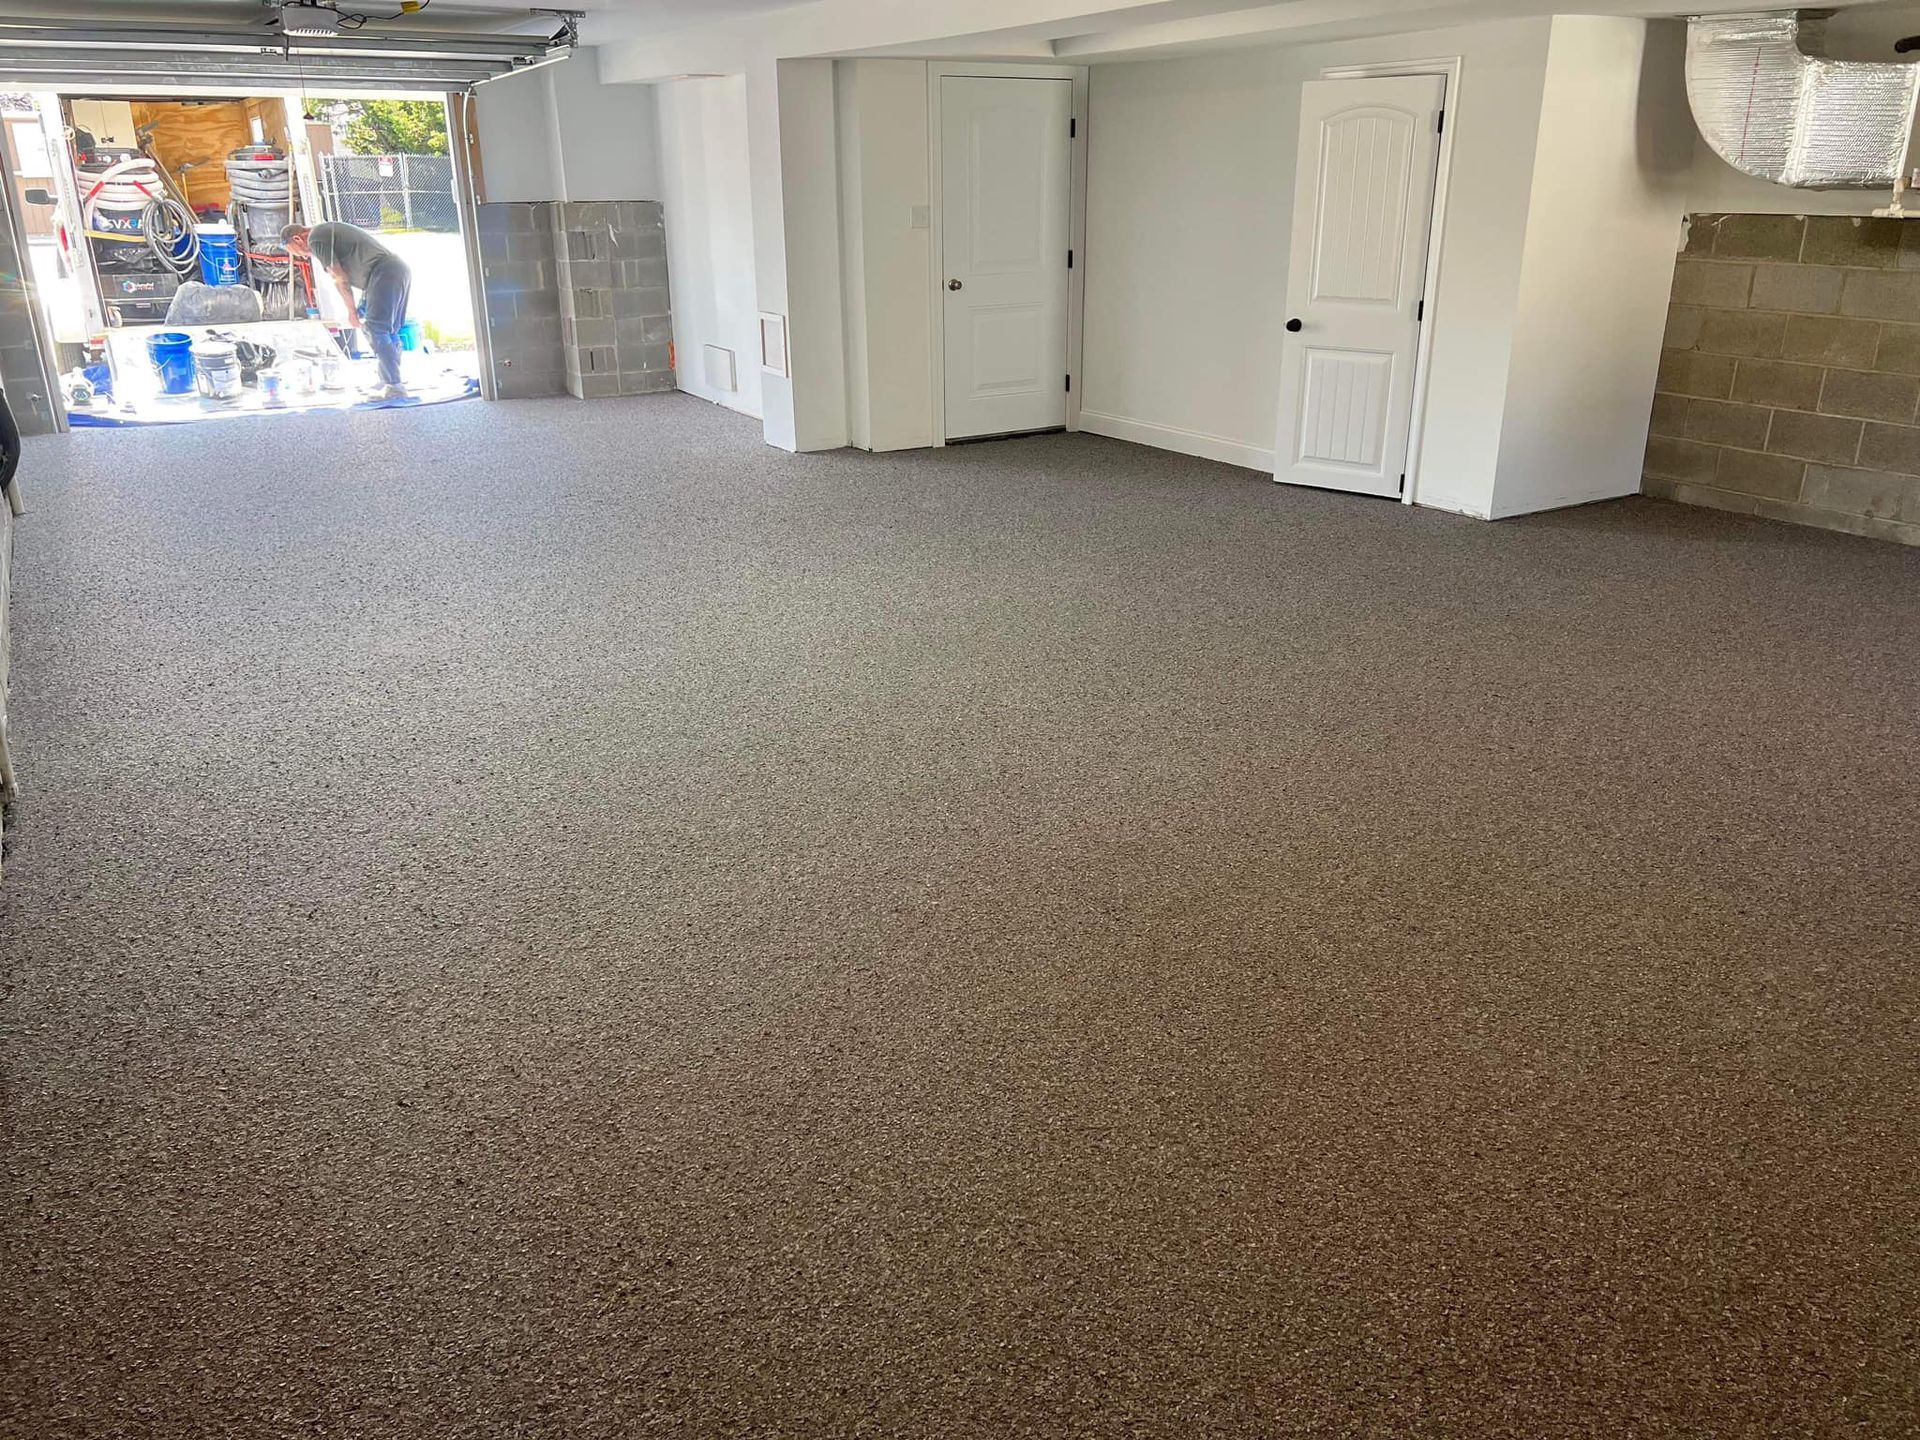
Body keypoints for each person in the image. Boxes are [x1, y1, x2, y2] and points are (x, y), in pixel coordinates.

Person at [282, 221, 413, 400]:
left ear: (298, 238)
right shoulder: (325, 232)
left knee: (376, 328)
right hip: (392, 270)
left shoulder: (315, 238)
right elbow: (360, 276)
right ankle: (388, 379)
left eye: (298, 251)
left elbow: (339, 278)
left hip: (384, 272)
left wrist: (351, 311)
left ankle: (395, 385)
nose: (304, 257)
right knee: (388, 329)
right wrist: (359, 309)